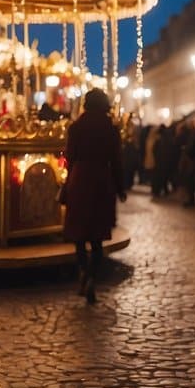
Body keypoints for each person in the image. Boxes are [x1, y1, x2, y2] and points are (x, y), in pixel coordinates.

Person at [62, 89, 126, 304]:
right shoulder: (111, 129)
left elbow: (70, 158)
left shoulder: (76, 127)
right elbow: (116, 160)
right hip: (101, 180)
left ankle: (82, 270)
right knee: (97, 237)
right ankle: (91, 276)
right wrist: (120, 186)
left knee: (79, 235)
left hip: (80, 179)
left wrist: (66, 184)